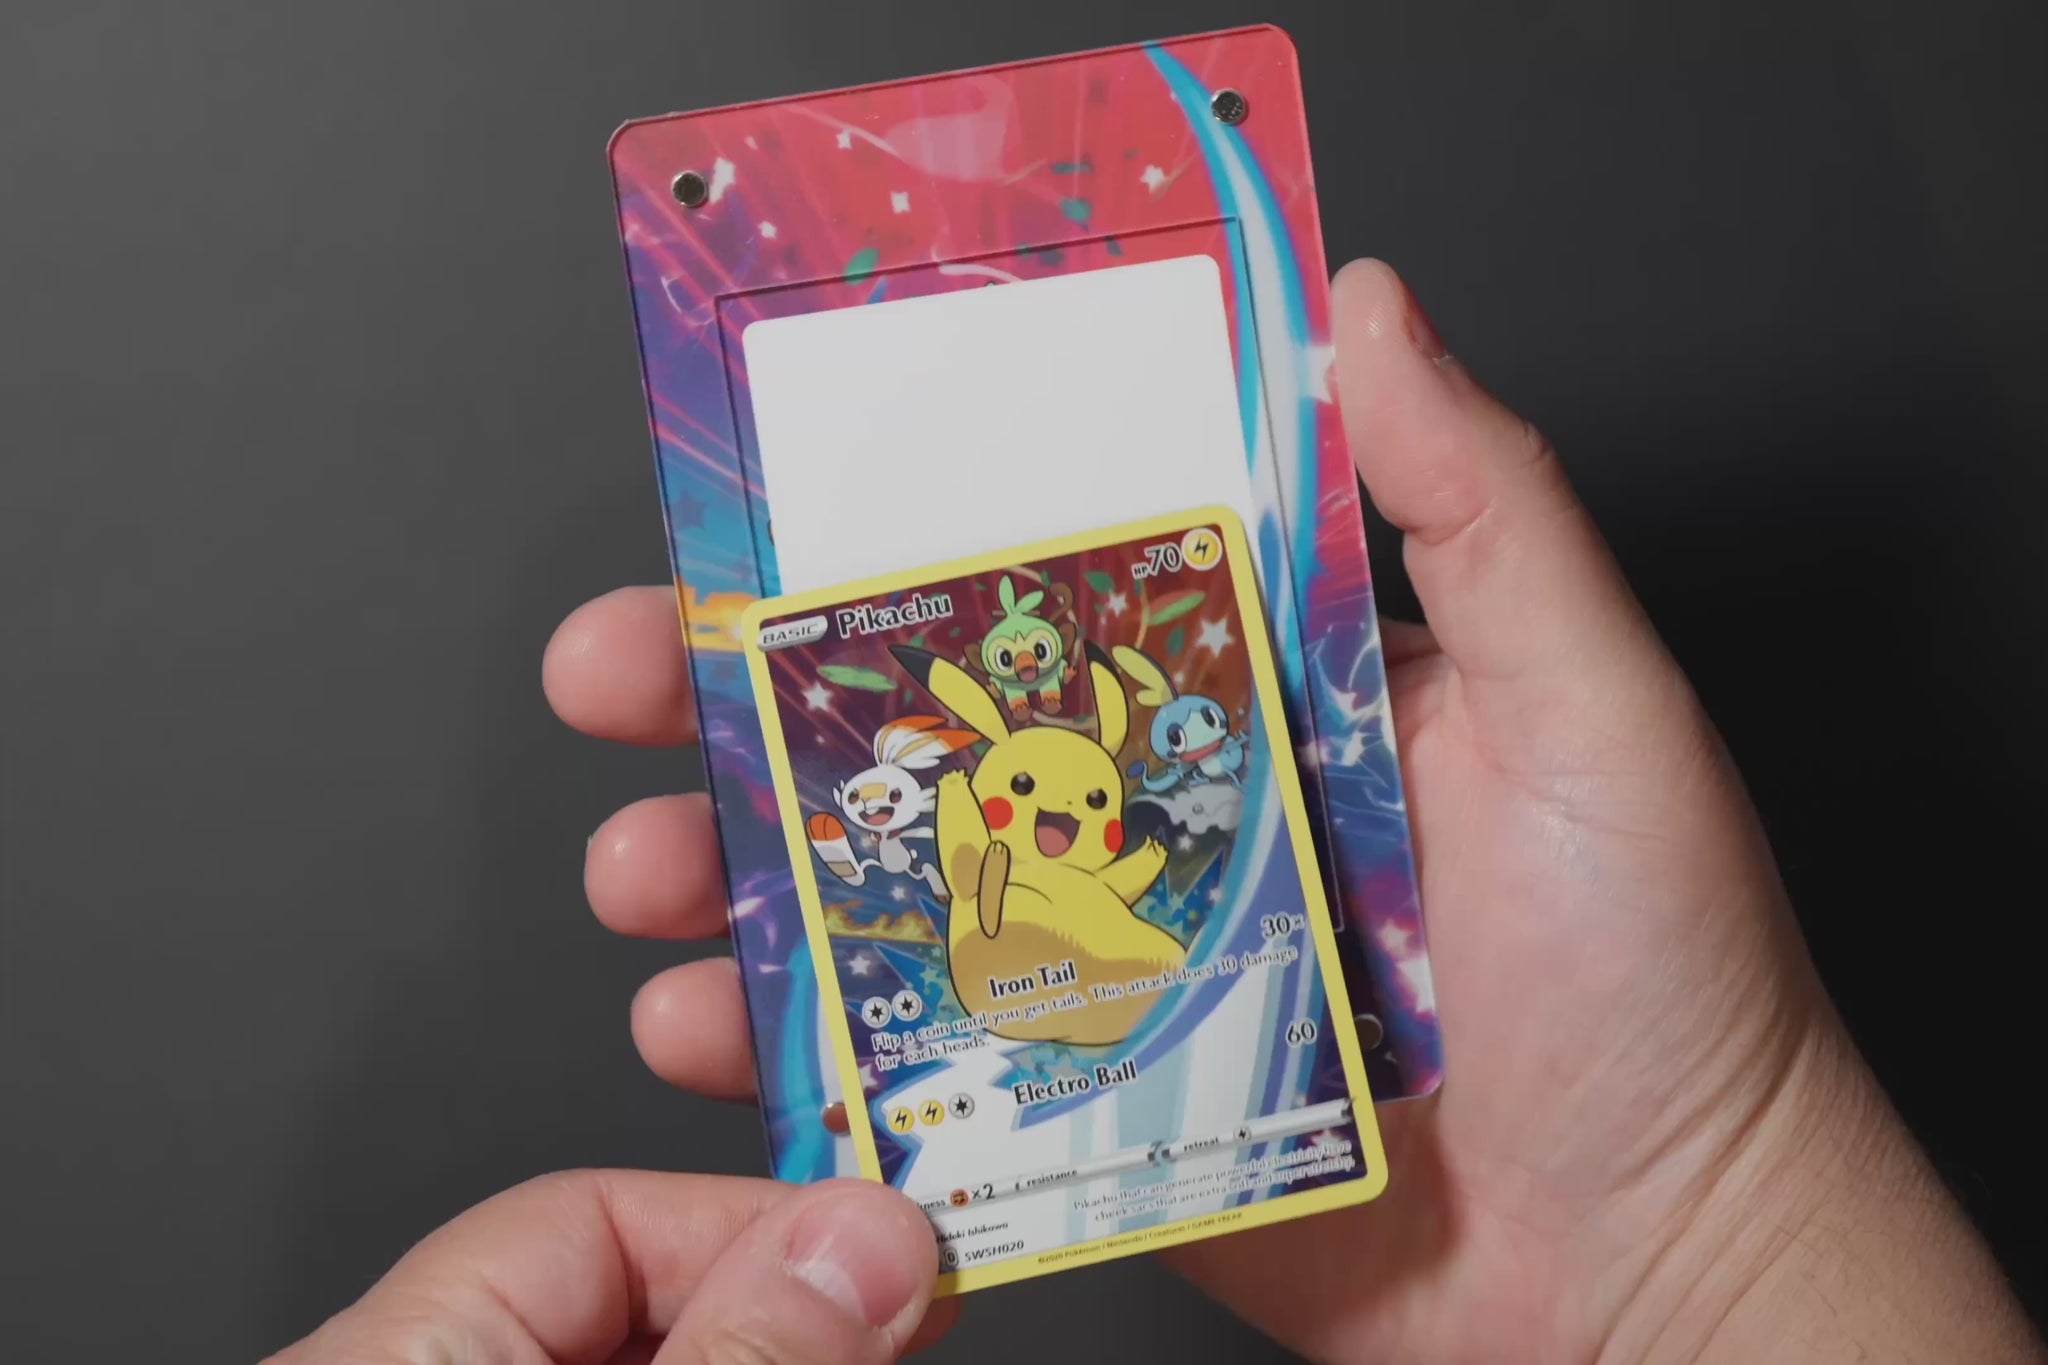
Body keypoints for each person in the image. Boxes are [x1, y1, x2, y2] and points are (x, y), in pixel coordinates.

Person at [270, 262, 2045, 1364]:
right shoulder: (981, 823)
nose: (1048, 806)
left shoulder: (1116, 806)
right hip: (1039, 1015)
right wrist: (1705, 1234)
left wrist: (1709, 1208)